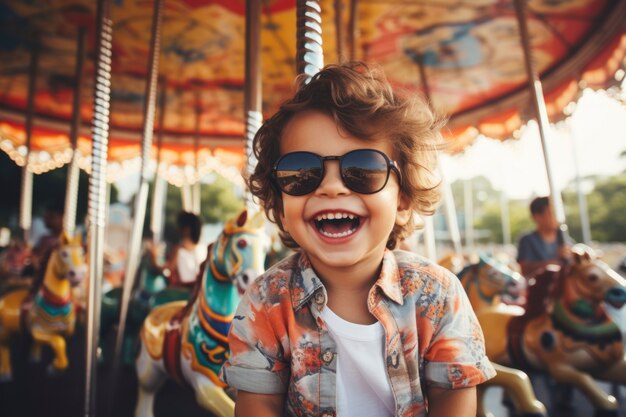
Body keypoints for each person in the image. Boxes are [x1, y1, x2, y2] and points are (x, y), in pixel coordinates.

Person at [220, 62, 495, 417]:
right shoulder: (265, 303)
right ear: (280, 198)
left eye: (363, 169)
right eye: (300, 173)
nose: (331, 186)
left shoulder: (437, 296)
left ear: (402, 196)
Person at [516, 196, 572, 277]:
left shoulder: (566, 240)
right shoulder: (527, 240)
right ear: (537, 217)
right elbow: (524, 268)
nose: (556, 218)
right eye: (552, 213)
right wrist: (555, 260)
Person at [148, 211, 205, 288]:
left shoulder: (178, 249)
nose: (177, 229)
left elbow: (166, 271)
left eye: (180, 226)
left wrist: (153, 258)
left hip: (183, 290)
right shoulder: (203, 248)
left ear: (186, 229)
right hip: (198, 290)